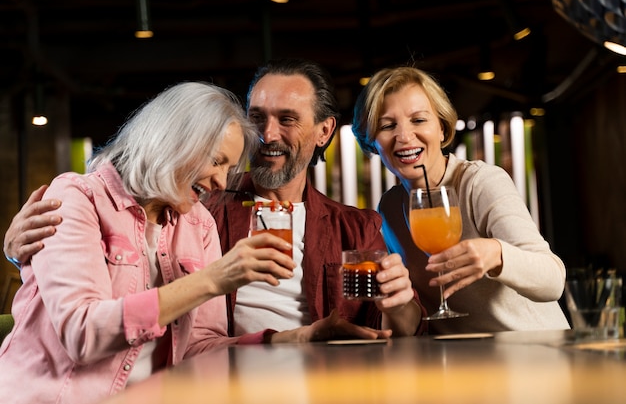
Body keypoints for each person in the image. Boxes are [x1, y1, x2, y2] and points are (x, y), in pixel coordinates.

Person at [0, 81, 384, 404]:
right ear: (175, 141)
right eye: (216, 161)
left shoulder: (196, 221)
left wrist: (300, 337)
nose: (221, 181)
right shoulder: (79, 197)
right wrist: (213, 280)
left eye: (229, 168)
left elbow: (200, 346)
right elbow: (83, 334)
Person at [3, 59, 425, 339]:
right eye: (256, 118)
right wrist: (22, 250)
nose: (268, 135)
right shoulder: (196, 207)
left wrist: (401, 300)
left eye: (288, 120)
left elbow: (400, 331)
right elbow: (119, 222)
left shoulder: (356, 226)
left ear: (324, 132)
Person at [351, 65, 570, 334]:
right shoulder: (390, 208)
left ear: (442, 129)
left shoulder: (479, 182)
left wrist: (497, 254)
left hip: (536, 357)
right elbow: (411, 320)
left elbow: (553, 280)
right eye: (387, 125)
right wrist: (394, 301)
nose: (405, 136)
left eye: (419, 120)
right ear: (373, 142)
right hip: (463, 365)